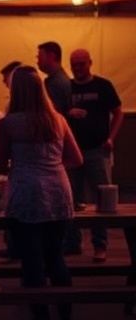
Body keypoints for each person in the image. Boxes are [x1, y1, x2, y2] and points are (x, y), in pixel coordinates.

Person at [0, 65, 82, 320]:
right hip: (58, 191)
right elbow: (75, 159)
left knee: (32, 260)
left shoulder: (8, 124)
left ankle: (40, 315)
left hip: (26, 193)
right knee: (55, 257)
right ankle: (65, 313)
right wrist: (50, 166)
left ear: (15, 90)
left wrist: (23, 165)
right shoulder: (58, 120)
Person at [64, 48, 123, 262]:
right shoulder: (66, 89)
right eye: (74, 64)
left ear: (90, 63)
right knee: (72, 198)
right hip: (72, 151)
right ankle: (73, 243)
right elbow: (56, 114)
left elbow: (118, 112)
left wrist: (111, 138)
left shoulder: (103, 85)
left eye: (81, 64)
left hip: (97, 149)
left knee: (102, 199)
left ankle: (100, 245)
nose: (78, 68)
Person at [37, 41, 71, 116]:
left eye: (40, 57)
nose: (37, 62)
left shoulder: (54, 84)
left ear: (51, 56)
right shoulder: (63, 79)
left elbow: (53, 114)